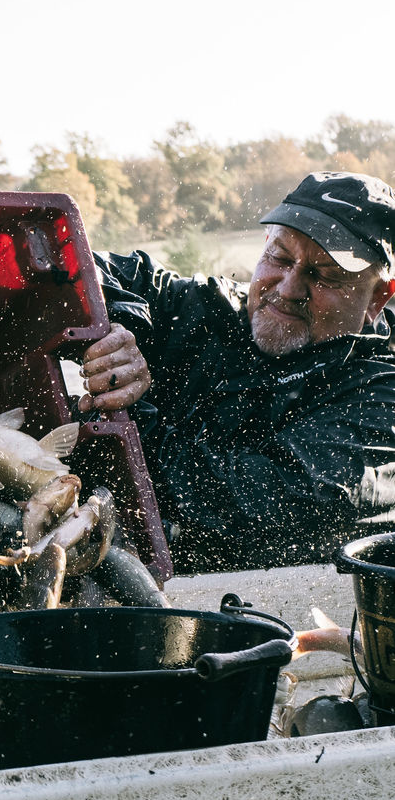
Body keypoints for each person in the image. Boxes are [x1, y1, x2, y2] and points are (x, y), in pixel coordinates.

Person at [77, 170, 395, 573]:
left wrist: (130, 409)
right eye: (280, 258)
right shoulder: (210, 308)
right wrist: (122, 332)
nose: (288, 289)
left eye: (324, 276)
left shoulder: (380, 396)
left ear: (378, 298)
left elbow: (247, 505)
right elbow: (79, 267)